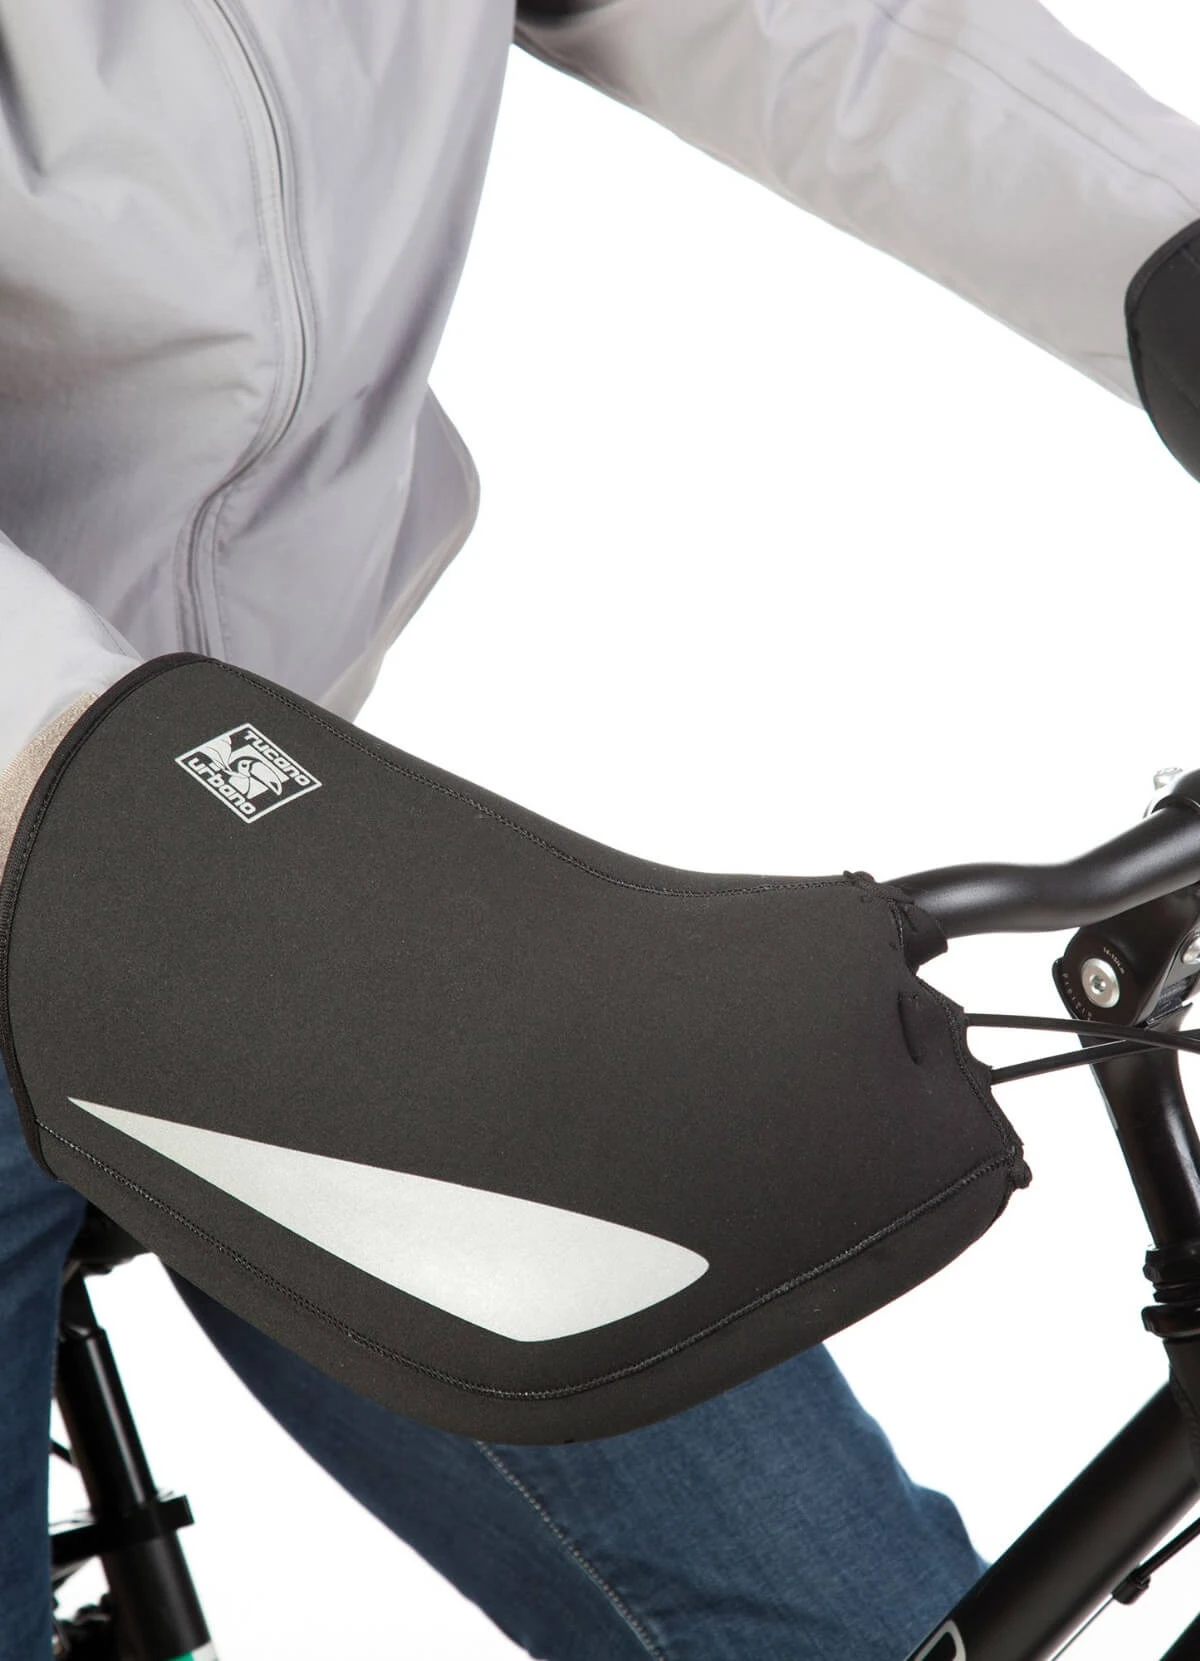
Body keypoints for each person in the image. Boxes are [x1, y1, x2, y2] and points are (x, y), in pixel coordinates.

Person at [1, 4, 1198, 1656]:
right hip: (148, 812)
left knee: (868, 1629)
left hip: (289, 833)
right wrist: (115, 785)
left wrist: (1169, 248)